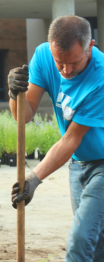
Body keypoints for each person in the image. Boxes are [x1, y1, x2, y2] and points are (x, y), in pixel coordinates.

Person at [9, 15, 104, 261]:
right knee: (96, 245)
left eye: (73, 63)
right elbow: (25, 115)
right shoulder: (43, 56)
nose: (66, 70)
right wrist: (14, 93)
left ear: (90, 46)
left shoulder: (101, 77)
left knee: (80, 241)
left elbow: (71, 139)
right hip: (78, 164)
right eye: (59, 62)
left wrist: (34, 179)